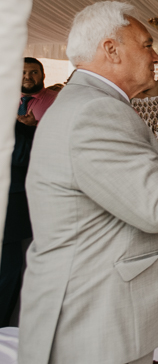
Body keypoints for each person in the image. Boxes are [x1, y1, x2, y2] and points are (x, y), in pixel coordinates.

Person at [18, 1, 158, 364]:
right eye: (146, 44)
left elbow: (131, 191)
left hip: (104, 312)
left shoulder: (94, 103)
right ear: (111, 49)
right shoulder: (96, 111)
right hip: (94, 320)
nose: (155, 56)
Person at [0, 58, 57, 327]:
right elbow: (20, 153)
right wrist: (30, 130)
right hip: (12, 204)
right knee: (9, 272)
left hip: (19, 202)